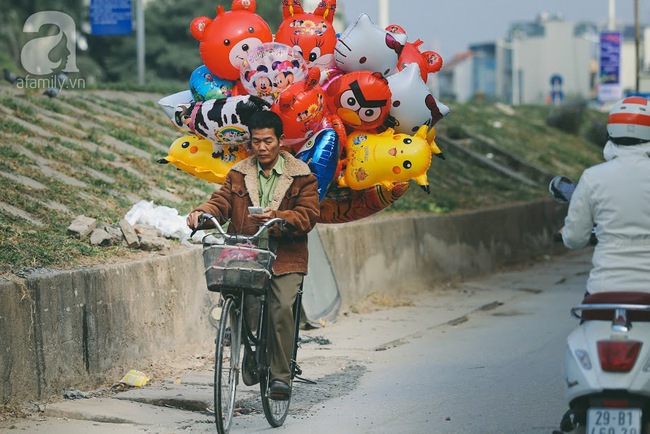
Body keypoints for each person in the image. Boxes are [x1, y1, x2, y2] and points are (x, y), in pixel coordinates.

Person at [187, 110, 320, 400]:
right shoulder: (239, 172)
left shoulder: (302, 176)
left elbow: (308, 215)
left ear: (281, 141)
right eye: (256, 141)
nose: (261, 147)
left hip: (286, 255)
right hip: (245, 251)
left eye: (268, 141)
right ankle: (251, 347)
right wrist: (202, 213)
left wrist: (279, 216)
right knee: (240, 300)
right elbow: (220, 202)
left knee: (281, 307)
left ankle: (281, 376)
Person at [562, 96, 650, 296]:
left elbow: (575, 238)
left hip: (605, 289)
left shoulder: (592, 178)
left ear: (611, 131)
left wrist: (566, 233)